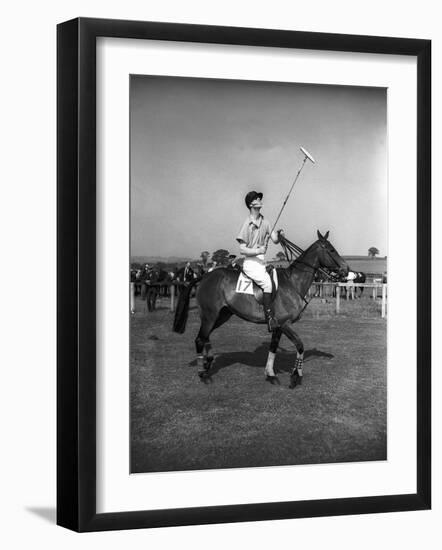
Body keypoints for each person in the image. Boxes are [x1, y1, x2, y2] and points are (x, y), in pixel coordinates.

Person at [236, 191, 281, 331]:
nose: (260, 200)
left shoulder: (266, 222)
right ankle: (269, 319)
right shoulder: (247, 224)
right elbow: (242, 249)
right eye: (256, 198)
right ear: (251, 204)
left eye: (259, 198)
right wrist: (258, 251)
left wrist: (280, 235)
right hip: (250, 262)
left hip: (261, 262)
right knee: (267, 284)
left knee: (275, 279)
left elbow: (274, 239)